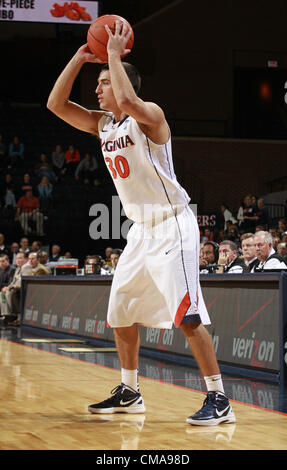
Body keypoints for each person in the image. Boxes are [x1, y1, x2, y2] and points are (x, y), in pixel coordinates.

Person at [47, 21, 235, 426]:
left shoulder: (148, 116)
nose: (97, 89)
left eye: (103, 82)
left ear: (121, 81)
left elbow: (130, 102)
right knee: (120, 312)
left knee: (187, 316)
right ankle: (130, 391)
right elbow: (56, 106)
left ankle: (219, 398)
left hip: (172, 225)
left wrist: (113, 55)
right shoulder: (103, 124)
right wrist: (81, 57)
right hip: (141, 231)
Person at [0, 251, 29, 324]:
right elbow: (13, 281)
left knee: (10, 293)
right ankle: (6, 314)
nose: (18, 260)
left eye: (20, 258)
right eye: (17, 259)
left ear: (26, 259)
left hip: (23, 288)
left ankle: (15, 314)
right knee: (3, 293)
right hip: (15, 287)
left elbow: (22, 281)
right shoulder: (17, 269)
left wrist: (11, 286)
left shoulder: (26, 267)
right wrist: (8, 287)